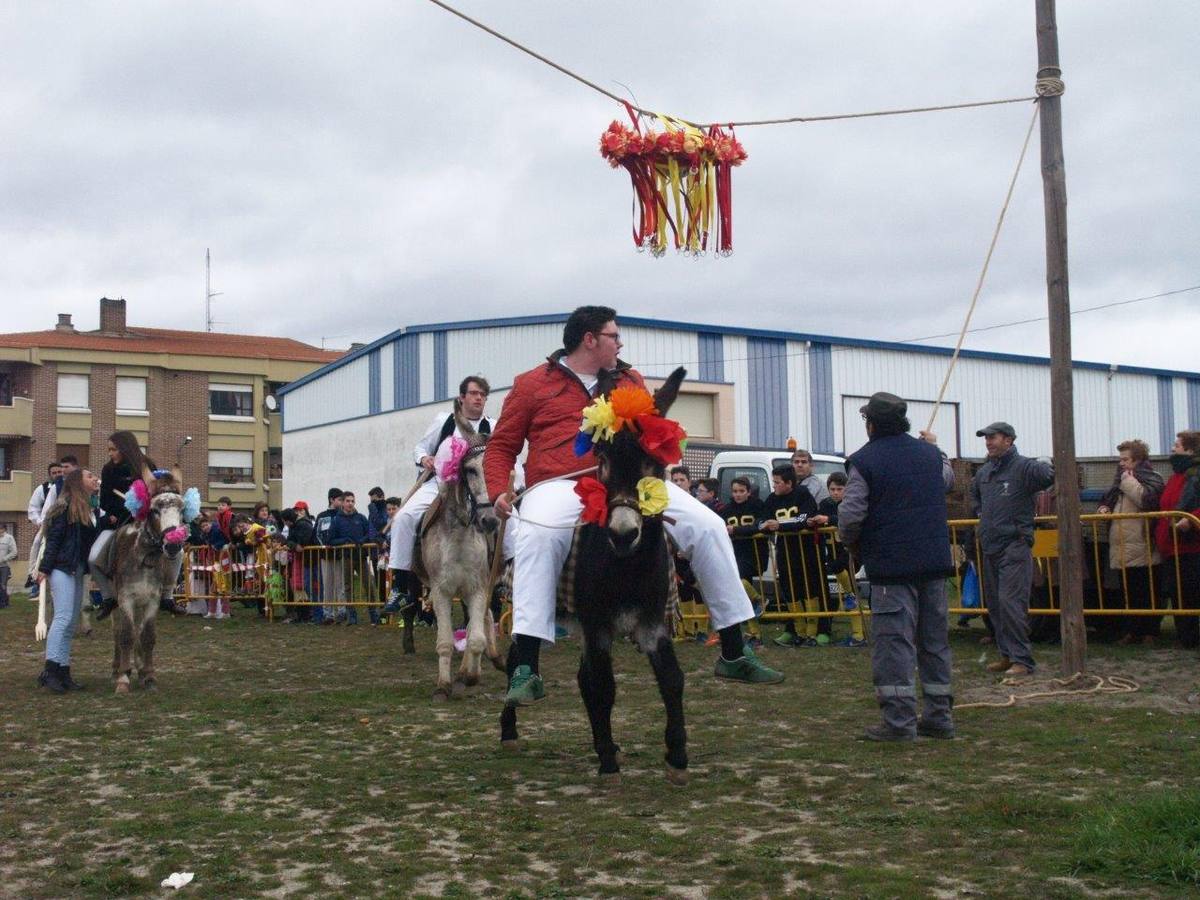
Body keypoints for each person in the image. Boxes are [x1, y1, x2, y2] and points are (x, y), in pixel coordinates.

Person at [486, 306, 783, 705]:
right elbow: (502, 446)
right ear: (590, 339)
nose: (620, 342)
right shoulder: (531, 385)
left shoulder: (631, 380)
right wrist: (497, 491)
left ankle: (733, 649)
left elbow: (650, 431)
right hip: (560, 483)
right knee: (538, 537)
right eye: (614, 335)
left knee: (708, 525)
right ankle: (527, 665)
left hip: (630, 479)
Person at [839, 392, 956, 741]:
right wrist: (936, 449)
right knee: (934, 643)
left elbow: (851, 514)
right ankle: (939, 717)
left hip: (891, 568)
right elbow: (947, 480)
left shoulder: (863, 460)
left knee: (895, 644)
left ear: (870, 424)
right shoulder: (931, 456)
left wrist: (849, 542)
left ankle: (899, 722)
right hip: (934, 564)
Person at [385, 376, 495, 616]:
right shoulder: (443, 421)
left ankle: (506, 577)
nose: (479, 398)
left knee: (513, 521)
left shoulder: (492, 427)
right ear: (462, 398)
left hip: (479, 489)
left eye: (483, 395)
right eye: (474, 393)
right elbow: (420, 448)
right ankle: (401, 587)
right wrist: (425, 458)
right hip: (440, 484)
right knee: (403, 518)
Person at [970, 421, 1055, 676]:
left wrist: (1048, 465)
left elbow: (1049, 476)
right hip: (990, 546)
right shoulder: (985, 473)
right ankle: (1007, 655)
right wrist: (980, 513)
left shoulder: (1024, 467)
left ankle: (1022, 660)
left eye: (992, 437)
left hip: (1014, 545)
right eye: (986, 438)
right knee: (996, 605)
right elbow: (975, 495)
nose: (988, 442)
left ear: (1008, 440)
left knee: (1011, 603)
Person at [36, 467, 101, 693]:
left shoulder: (92, 507)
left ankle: (63, 671)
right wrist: (44, 568)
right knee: (62, 618)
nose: (95, 479)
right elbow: (54, 539)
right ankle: (50, 670)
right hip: (61, 567)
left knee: (71, 623)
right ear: (77, 482)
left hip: (77, 569)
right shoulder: (64, 508)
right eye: (90, 476)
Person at [1096, 439, 1164, 645]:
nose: (1121, 464)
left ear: (1138, 459)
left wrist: (1128, 480)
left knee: (1148, 590)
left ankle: (1150, 632)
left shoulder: (1151, 478)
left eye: (1125, 459)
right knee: (1128, 592)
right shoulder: (1119, 483)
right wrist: (1103, 508)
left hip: (1143, 544)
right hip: (1122, 545)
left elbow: (1147, 501)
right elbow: (1107, 499)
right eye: (1120, 459)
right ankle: (1132, 631)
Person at [93, 433, 161, 620]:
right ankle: (108, 598)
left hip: (146, 522)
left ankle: (168, 595)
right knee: (93, 559)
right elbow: (105, 500)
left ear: (125, 448)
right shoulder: (108, 469)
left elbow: (154, 491)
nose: (110, 453)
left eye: (113, 449)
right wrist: (119, 510)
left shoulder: (146, 464)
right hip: (119, 523)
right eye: (109, 449)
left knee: (175, 551)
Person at [763, 465, 829, 647]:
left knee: (810, 590)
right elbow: (763, 520)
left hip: (807, 551)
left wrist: (781, 525)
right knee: (790, 591)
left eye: (777, 482)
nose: (774, 485)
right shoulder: (771, 499)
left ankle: (813, 633)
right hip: (784, 551)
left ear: (789, 483)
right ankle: (797, 632)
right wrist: (766, 525)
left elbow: (804, 518)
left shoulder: (802, 494)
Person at [1155, 431, 1200, 649]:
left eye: (1177, 445)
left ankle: (1191, 637)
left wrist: (1192, 520)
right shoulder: (1176, 476)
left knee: (1191, 592)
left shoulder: (1194, 474)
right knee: (1178, 593)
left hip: (1191, 545)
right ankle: (1186, 637)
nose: (1173, 449)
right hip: (1173, 545)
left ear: (1190, 450)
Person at [819, 471, 867, 648]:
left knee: (839, 568)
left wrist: (829, 519)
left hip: (850, 551)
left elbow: (852, 518)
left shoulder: (850, 504)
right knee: (850, 592)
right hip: (833, 549)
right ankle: (857, 635)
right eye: (832, 489)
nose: (836, 492)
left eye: (840, 489)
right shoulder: (825, 504)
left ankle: (859, 634)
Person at [327, 491, 374, 625]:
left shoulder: (361, 517)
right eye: (347, 501)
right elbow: (330, 540)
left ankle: (373, 614)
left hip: (361, 556)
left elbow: (370, 533)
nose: (350, 503)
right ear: (343, 502)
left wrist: (362, 540)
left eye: (352, 501)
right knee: (348, 587)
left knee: (368, 585)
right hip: (346, 557)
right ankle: (352, 616)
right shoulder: (337, 520)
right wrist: (344, 541)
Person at [314, 489, 343, 624]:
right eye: (340, 499)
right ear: (332, 500)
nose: (343, 502)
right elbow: (317, 534)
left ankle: (343, 611)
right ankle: (328, 613)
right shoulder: (322, 516)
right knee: (327, 585)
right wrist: (324, 546)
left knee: (341, 584)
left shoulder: (342, 515)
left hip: (341, 555)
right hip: (326, 556)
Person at [0, 522, 16, 608]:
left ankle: (4, 604)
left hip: (4, 566)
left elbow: (14, 552)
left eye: (1, 529)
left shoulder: (9, 538)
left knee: (3, 585)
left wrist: (3, 559)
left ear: (4, 529)